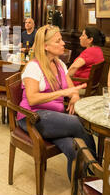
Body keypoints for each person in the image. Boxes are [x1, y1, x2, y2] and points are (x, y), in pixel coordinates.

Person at [18, 25, 96, 180]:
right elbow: (32, 98)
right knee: (78, 123)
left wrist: (74, 97)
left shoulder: (59, 64)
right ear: (45, 46)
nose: (63, 44)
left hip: (54, 118)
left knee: (75, 150)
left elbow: (72, 89)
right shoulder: (33, 67)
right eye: (58, 41)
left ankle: (81, 189)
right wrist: (63, 93)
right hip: (32, 118)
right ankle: (97, 171)